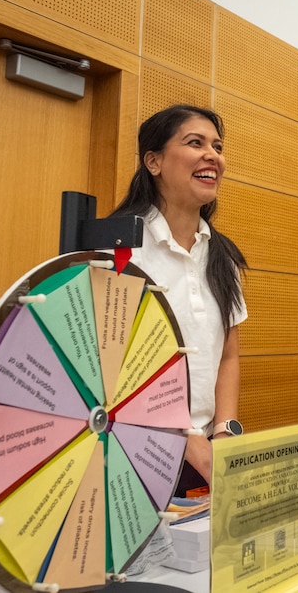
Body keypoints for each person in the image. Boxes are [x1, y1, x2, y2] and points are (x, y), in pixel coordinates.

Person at [110, 104, 248, 495]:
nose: (213, 156)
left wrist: (224, 431)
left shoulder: (223, 256)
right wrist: (185, 438)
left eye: (217, 146)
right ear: (153, 161)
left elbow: (228, 355)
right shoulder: (120, 251)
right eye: (195, 143)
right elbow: (113, 366)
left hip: (206, 453)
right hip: (132, 453)